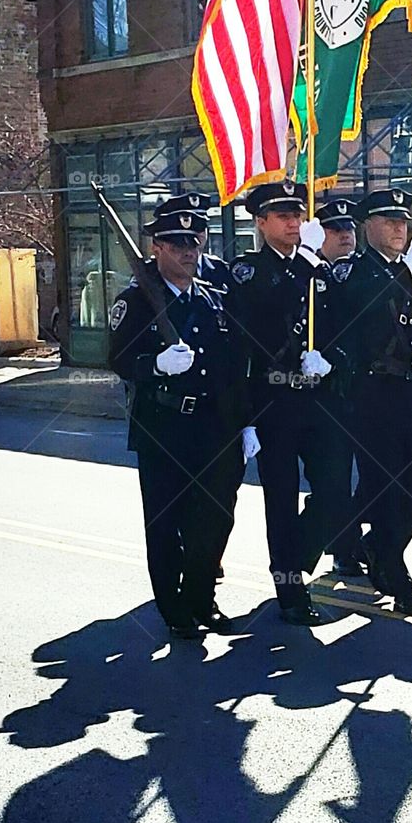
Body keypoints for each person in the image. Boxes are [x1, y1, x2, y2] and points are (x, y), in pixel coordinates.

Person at [108, 200, 255, 639]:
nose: (188, 252)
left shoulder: (214, 297)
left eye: (194, 242)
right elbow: (118, 359)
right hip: (165, 426)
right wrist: (155, 365)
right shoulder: (135, 299)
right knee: (167, 520)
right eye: (176, 243)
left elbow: (235, 364)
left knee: (215, 517)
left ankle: (201, 597)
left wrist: (246, 421)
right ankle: (175, 608)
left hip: (217, 426)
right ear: (156, 247)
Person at [329, 188, 412, 614]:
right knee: (384, 486)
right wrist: (404, 276)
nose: (400, 227)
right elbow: (360, 314)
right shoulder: (352, 273)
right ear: (367, 226)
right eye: (388, 220)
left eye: (403, 220)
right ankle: (396, 577)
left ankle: (377, 546)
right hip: (372, 394)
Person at [228, 180, 343, 626]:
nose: (294, 221)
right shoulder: (248, 272)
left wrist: (330, 361)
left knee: (334, 488)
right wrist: (245, 418)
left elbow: (339, 327)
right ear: (260, 223)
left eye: (298, 214)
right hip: (272, 402)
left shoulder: (316, 270)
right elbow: (243, 344)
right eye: (283, 215)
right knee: (281, 498)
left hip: (317, 401)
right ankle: (290, 591)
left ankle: (296, 560)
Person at [314, 198, 365, 578]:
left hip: (362, 390)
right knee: (332, 478)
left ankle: (347, 539)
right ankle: (340, 547)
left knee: (374, 476)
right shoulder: (311, 274)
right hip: (321, 395)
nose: (345, 235)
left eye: (349, 228)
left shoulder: (359, 273)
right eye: (334, 230)